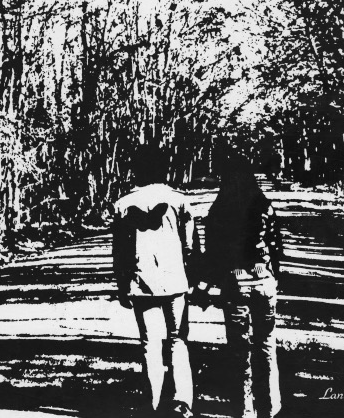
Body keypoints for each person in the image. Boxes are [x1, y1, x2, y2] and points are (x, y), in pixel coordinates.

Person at [197, 151, 282, 418]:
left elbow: (212, 254)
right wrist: (273, 274)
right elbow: (276, 245)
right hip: (264, 281)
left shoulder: (219, 209)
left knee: (239, 351)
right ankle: (270, 407)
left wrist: (205, 285)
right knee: (266, 345)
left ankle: (244, 410)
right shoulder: (264, 205)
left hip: (236, 284)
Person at [112, 145, 194, 418]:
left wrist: (122, 284)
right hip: (175, 282)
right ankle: (181, 401)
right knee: (178, 340)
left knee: (150, 343)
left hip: (140, 283)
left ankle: (153, 403)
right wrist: (194, 278)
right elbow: (190, 245)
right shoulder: (179, 200)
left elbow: (119, 252)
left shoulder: (123, 204)